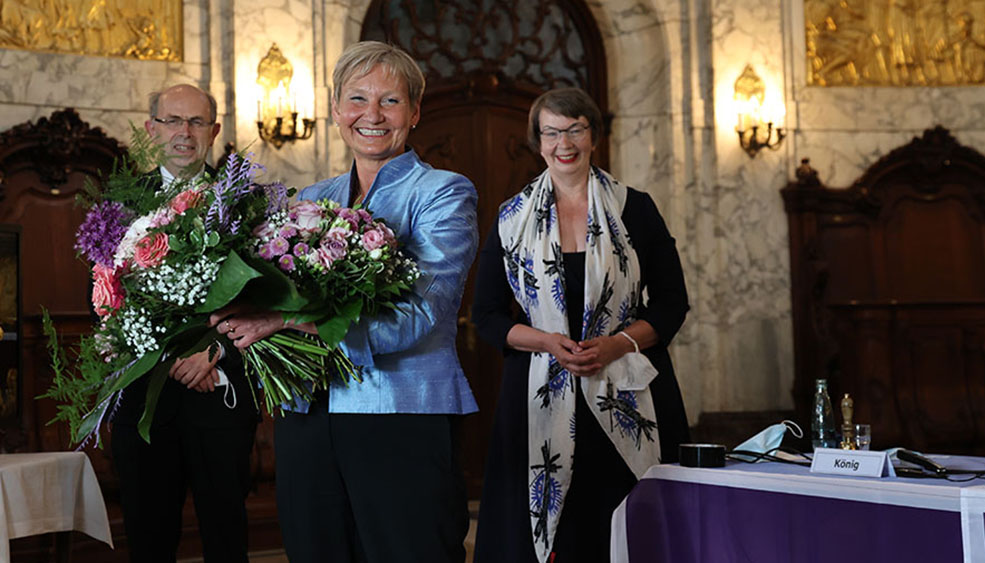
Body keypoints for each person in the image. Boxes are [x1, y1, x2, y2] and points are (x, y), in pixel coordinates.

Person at [209, 41, 479, 563]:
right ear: (335, 111)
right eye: (356, 99)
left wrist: (285, 319)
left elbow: (419, 314)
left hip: (401, 413)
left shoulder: (444, 192)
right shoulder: (309, 200)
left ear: (416, 112)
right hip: (307, 416)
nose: (371, 115)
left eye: (391, 102)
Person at [471, 87, 691, 563]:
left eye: (574, 130)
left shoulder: (636, 208)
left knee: (628, 531)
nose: (563, 143)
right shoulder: (512, 218)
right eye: (551, 132)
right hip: (538, 397)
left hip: (628, 392)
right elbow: (487, 315)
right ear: (538, 140)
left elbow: (673, 303)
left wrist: (618, 343)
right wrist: (548, 342)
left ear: (593, 135)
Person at [110, 83, 259, 563]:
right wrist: (170, 357)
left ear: (214, 131)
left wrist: (217, 351)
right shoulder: (120, 201)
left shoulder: (245, 202)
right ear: (152, 128)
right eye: (172, 121)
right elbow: (104, 299)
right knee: (149, 541)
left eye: (196, 122)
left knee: (226, 538)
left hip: (221, 396)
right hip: (144, 404)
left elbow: (265, 298)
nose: (184, 133)